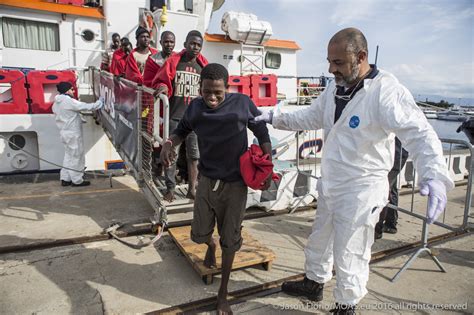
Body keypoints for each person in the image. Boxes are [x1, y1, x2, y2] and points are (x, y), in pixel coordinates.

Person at [255, 27, 454, 314]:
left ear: (360, 57)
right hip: (332, 181)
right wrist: (274, 116)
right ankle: (314, 282)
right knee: (320, 237)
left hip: (363, 187)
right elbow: (310, 116)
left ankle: (347, 304)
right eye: (329, 61)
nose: (330, 68)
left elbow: (419, 132)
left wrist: (433, 174)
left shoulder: (385, 91)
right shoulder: (335, 87)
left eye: (337, 63)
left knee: (351, 248)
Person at [160, 63, 272, 315]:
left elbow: (261, 130)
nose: (211, 98)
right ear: (200, 88)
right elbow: (182, 130)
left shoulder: (242, 103)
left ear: (227, 87)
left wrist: (268, 163)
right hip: (207, 181)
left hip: (235, 184)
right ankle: (210, 246)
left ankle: (223, 295)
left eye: (217, 93)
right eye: (206, 92)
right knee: (198, 234)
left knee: (230, 241)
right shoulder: (195, 107)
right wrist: (170, 143)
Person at [153, 30, 208, 201]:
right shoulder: (175, 62)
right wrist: (162, 86)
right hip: (176, 116)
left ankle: (193, 189)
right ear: (185, 44)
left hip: (194, 120)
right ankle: (170, 188)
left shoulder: (202, 67)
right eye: (192, 43)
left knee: (194, 156)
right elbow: (162, 79)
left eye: (199, 45)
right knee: (171, 154)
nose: (195, 47)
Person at [52, 82, 104, 187]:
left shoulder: (56, 103)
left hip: (64, 133)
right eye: (72, 89)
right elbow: (86, 107)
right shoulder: (68, 101)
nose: (73, 91)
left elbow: (68, 114)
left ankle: (65, 179)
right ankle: (77, 180)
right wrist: (100, 102)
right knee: (77, 156)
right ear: (66, 91)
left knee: (68, 156)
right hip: (73, 134)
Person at [375, 137, 409, 239]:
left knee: (383, 190)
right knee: (390, 189)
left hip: (395, 156)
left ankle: (378, 229)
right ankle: (390, 223)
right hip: (395, 155)